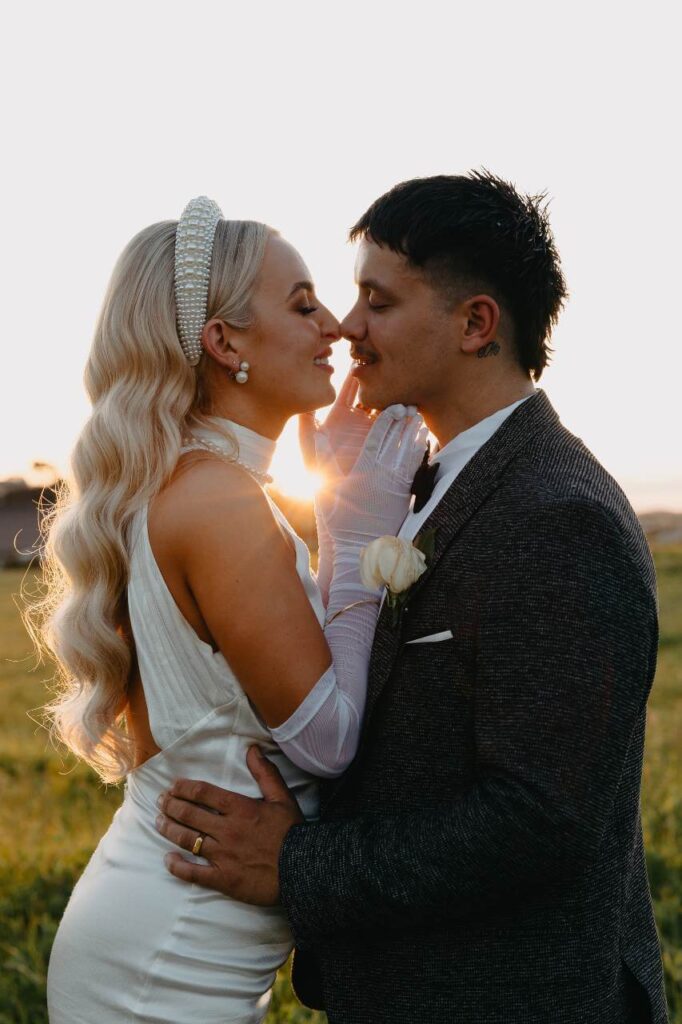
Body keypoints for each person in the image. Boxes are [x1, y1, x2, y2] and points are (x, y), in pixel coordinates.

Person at [156, 174, 669, 1024]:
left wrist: (297, 864)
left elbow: (537, 819)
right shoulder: (416, 483)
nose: (347, 328)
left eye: (377, 302)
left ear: (475, 324)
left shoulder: (559, 516)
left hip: (510, 999)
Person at [34, 196, 427, 1023]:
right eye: (302, 303)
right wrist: (354, 539)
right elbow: (325, 738)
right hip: (165, 963)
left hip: (157, 931)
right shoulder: (217, 500)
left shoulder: (198, 484)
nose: (335, 328)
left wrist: (334, 520)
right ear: (224, 343)